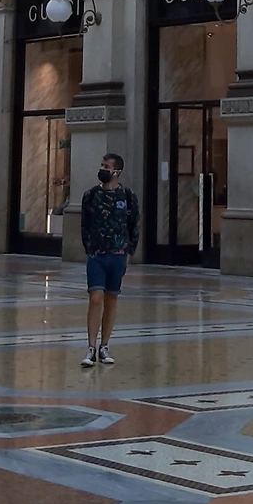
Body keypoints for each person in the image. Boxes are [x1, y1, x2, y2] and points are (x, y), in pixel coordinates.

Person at [80, 152, 139, 367]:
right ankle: (90, 347)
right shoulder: (90, 195)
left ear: (117, 172)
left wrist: (129, 251)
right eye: (101, 165)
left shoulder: (127, 196)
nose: (102, 169)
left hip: (118, 255)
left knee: (111, 299)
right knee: (95, 297)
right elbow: (85, 224)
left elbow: (134, 225)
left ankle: (104, 346)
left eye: (106, 166)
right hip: (97, 255)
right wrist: (89, 247)